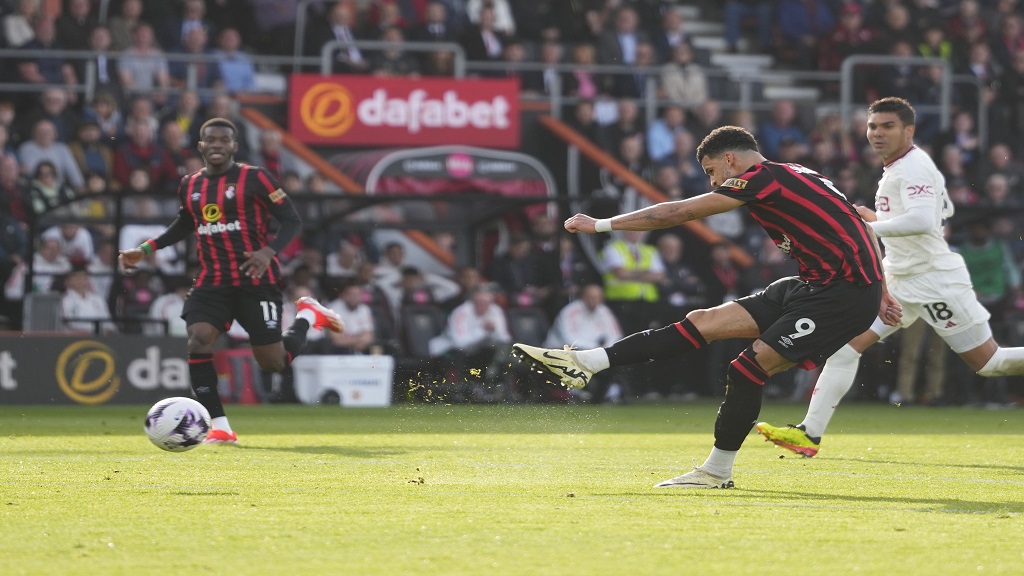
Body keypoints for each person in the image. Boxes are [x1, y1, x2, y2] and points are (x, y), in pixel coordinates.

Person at [513, 125, 899, 488]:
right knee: (703, 321)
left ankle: (716, 471)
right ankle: (586, 364)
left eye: (713, 171)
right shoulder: (797, 172)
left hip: (841, 296)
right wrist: (882, 290)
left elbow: (679, 212)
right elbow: (861, 221)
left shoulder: (758, 179)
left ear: (730, 160)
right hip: (815, 285)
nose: (714, 182)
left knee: (747, 368)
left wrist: (600, 225)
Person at [756, 97, 1024, 457]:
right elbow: (943, 209)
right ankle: (809, 434)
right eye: (872, 126)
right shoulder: (900, 168)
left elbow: (924, 221)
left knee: (990, 364)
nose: (877, 133)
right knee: (845, 346)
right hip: (900, 278)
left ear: (908, 130)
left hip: (933, 279)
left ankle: (810, 432)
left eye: (888, 126)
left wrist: (869, 224)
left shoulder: (911, 168)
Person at [118, 118, 344, 445]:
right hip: (213, 279)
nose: (217, 145)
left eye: (224, 140)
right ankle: (220, 427)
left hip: (255, 278)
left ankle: (308, 315)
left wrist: (268, 251)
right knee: (198, 339)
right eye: (211, 140)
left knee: (274, 363)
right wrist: (145, 249)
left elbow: (292, 221)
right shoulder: (190, 184)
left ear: (234, 146)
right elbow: (184, 223)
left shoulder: (255, 178)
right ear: (201, 146)